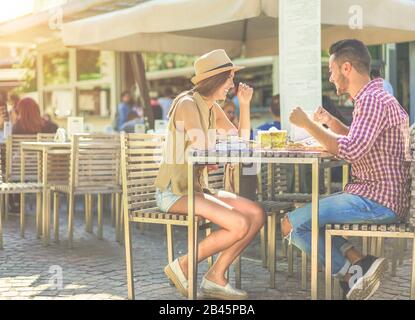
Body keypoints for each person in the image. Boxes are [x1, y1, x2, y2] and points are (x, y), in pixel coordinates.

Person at [286, 39, 410, 300]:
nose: (330, 78)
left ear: (346, 68)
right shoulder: (377, 97)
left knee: (292, 224)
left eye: (331, 71)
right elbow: (358, 140)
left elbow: (352, 150)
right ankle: (359, 264)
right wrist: (331, 123)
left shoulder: (372, 101)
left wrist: (308, 124)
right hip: (380, 195)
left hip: (376, 200)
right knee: (305, 220)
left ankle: (352, 271)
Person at [154, 49, 265, 300]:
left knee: (256, 214)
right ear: (215, 79)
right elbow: (201, 147)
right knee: (239, 224)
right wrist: (212, 153)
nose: (232, 85)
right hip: (173, 192)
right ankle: (182, 265)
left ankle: (215, 276)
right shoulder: (187, 103)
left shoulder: (212, 108)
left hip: (196, 188)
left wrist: (244, 105)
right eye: (229, 79)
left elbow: (240, 139)